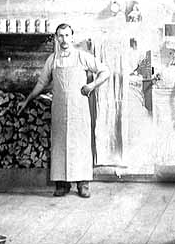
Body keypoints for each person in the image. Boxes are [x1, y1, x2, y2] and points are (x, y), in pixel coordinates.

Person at [17, 24, 110, 198]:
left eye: (67, 35)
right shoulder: (52, 60)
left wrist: (92, 85)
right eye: (60, 36)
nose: (64, 39)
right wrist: (27, 100)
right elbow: (41, 83)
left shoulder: (82, 57)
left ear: (72, 37)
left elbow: (105, 71)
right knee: (60, 146)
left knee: (80, 145)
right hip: (59, 111)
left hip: (79, 111)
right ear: (56, 38)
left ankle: (83, 184)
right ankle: (62, 184)